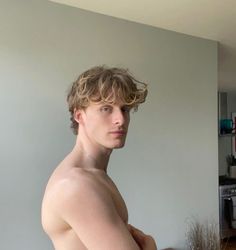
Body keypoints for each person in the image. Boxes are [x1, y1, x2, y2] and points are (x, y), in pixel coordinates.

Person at [41, 66, 157, 250]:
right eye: (106, 108)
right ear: (80, 116)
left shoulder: (94, 175)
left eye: (125, 109)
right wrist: (150, 247)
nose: (120, 119)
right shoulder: (75, 185)